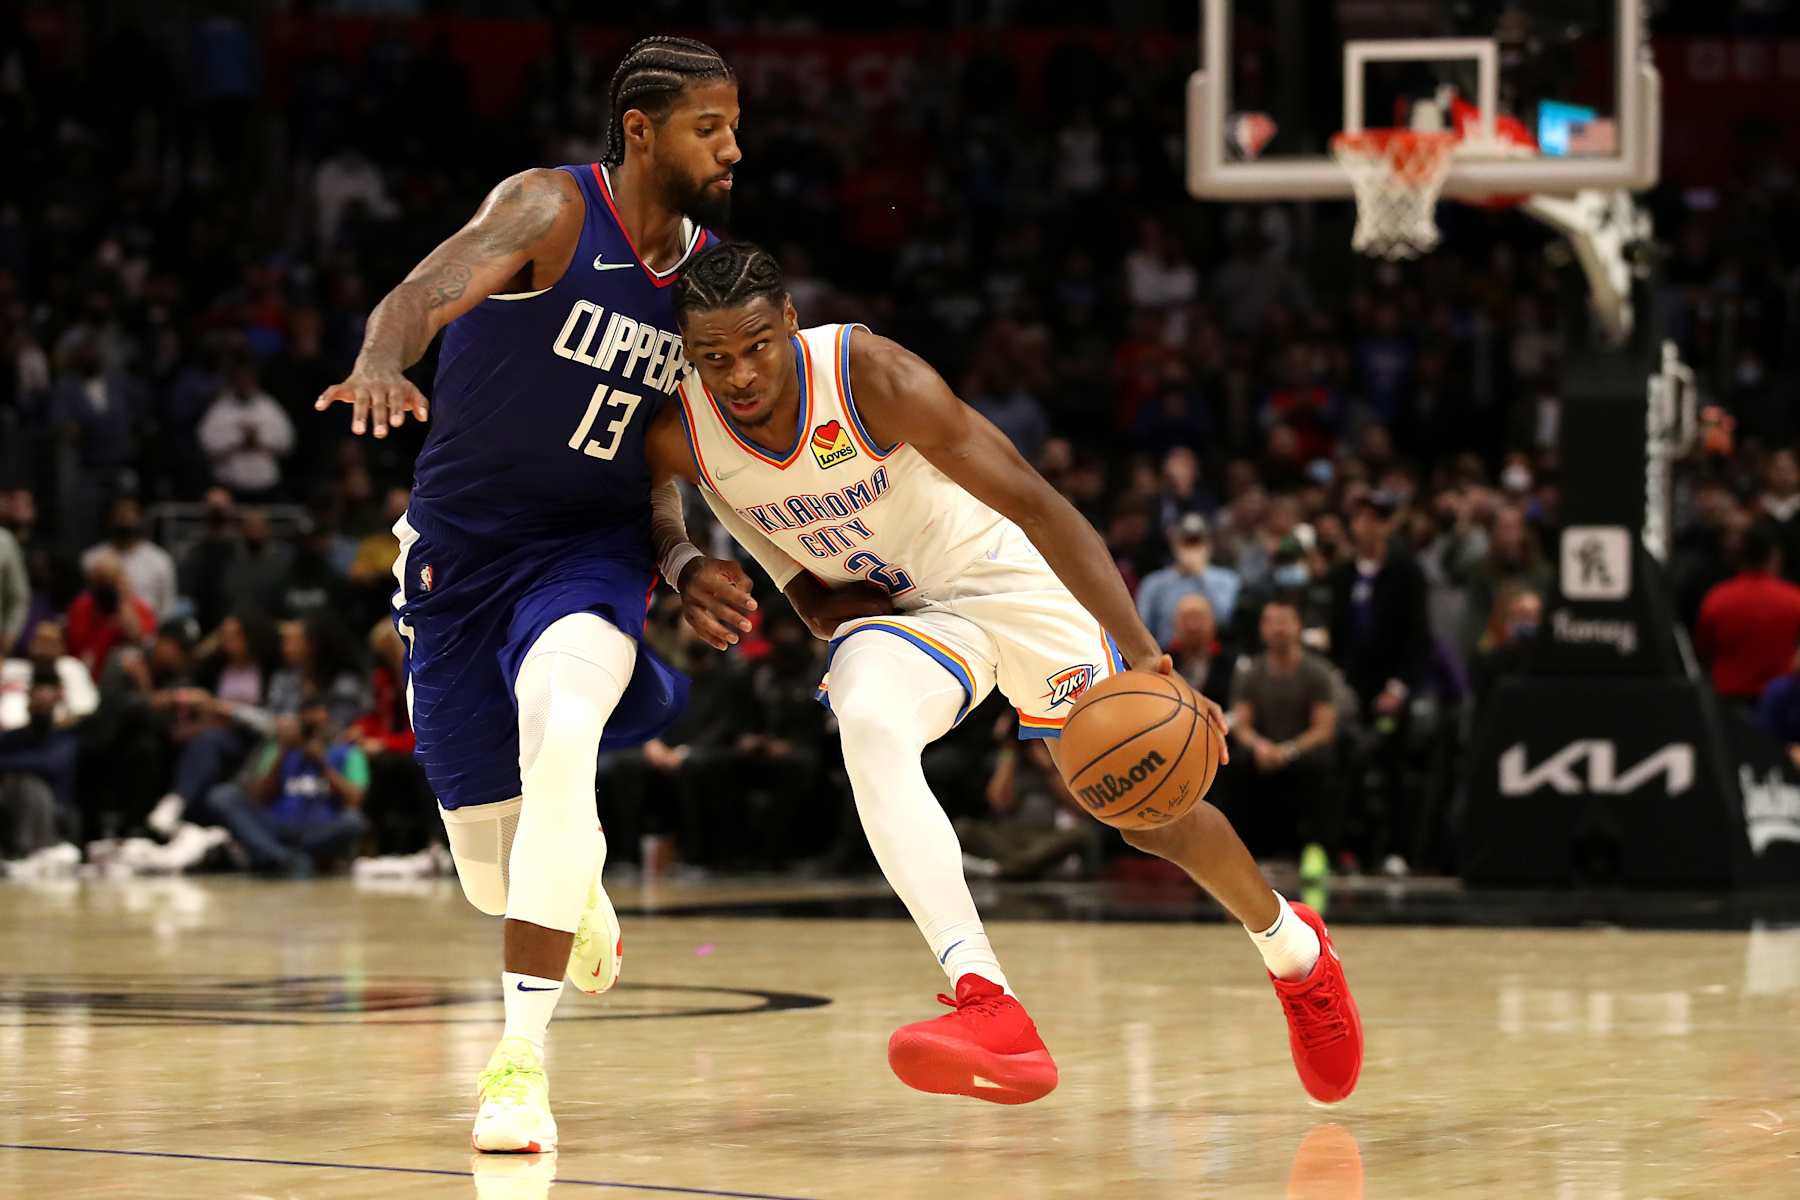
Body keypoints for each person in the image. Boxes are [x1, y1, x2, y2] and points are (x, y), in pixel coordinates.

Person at [649, 242, 1362, 1109]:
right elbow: (697, 511)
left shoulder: (872, 377)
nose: (740, 374)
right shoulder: (683, 426)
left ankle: (1295, 952)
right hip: (911, 616)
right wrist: (718, 571)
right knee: (868, 720)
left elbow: (1037, 500)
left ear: (791, 323)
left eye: (757, 345)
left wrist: (1144, 654)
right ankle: (989, 1003)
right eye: (714, 357)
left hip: (1010, 580)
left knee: (1145, 813)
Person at [312, 36, 755, 1154]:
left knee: (563, 739)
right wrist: (381, 358)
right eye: (712, 126)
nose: (735, 148)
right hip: (459, 566)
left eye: (737, 125)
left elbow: (664, 455)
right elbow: (420, 291)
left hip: (587, 557)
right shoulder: (551, 209)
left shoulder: (709, 276)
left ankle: (518, 1066)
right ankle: (575, 887)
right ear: (642, 128)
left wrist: (676, 557)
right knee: (483, 870)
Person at [1228, 596, 1339, 871]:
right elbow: (1241, 724)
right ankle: (1244, 857)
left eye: (1284, 622)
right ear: (1262, 629)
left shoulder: (1318, 672)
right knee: (1235, 763)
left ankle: (1316, 852)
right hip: (1264, 752)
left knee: (1323, 766)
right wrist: (1260, 746)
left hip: (1302, 752)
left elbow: (1324, 729)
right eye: (1271, 622)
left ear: (1298, 626)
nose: (1278, 629)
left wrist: (1288, 750)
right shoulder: (1250, 672)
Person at [206, 701, 370, 876]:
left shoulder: (349, 753)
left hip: (319, 828)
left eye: (318, 726)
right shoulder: (279, 749)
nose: (313, 732)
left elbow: (354, 800)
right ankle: (283, 857)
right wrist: (283, 752)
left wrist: (323, 765)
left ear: (331, 724)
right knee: (223, 796)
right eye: (307, 726)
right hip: (276, 824)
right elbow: (259, 797)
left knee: (354, 822)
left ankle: (278, 856)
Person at [1696, 524, 1800, 703]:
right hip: (1782, 704)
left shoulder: (1717, 598)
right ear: (1773, 557)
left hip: (1727, 702)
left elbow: (1703, 649)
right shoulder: (1794, 599)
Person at [1135, 512, 1243, 645]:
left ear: (1209, 545)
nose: (1192, 549)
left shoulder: (1228, 580)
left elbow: (1225, 621)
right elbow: (1141, 629)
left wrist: (1200, 575)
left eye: (1197, 542)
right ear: (1174, 544)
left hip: (1213, 655)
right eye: (1186, 542)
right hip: (1166, 653)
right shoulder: (1154, 583)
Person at [81, 497, 178, 622]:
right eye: (120, 517)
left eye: (130, 518)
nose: (125, 522)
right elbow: (85, 603)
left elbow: (167, 608)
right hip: (102, 628)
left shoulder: (160, 560)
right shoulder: (93, 559)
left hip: (148, 631)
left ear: (140, 520)